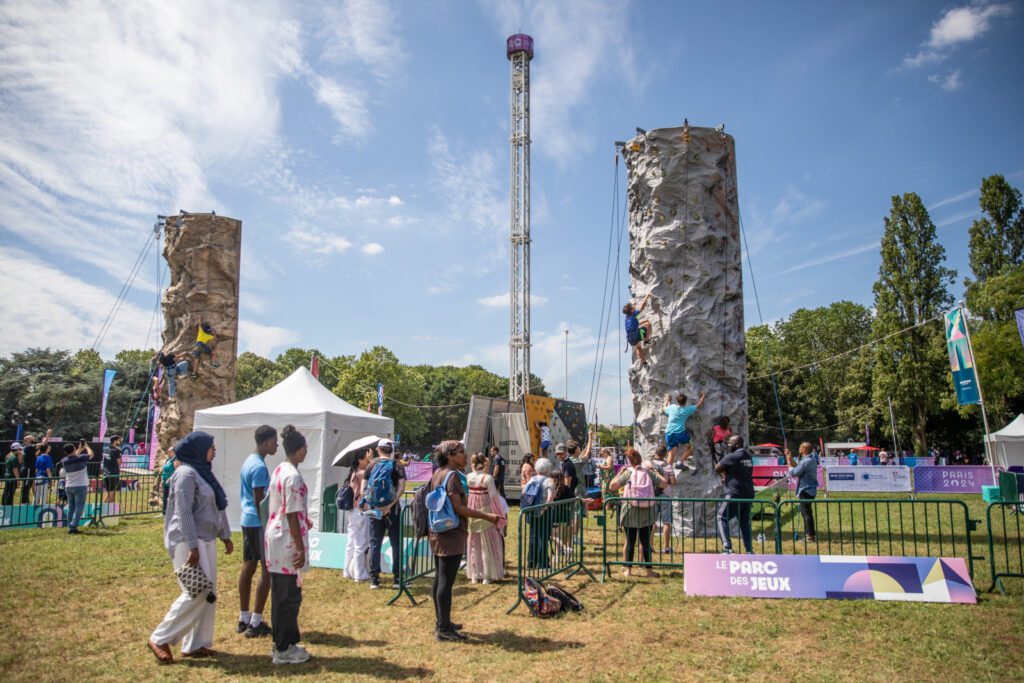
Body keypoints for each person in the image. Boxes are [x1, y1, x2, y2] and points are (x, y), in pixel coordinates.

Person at [148, 431, 233, 663]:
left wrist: (224, 535)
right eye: (210, 446)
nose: (214, 450)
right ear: (198, 449)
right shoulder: (185, 474)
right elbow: (182, 512)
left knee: (209, 594)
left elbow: (217, 506)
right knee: (197, 591)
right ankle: (160, 637)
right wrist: (192, 546)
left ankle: (197, 643)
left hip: (205, 539)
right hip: (187, 540)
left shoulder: (204, 473)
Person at [429, 441, 500, 642]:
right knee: (445, 581)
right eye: (461, 452)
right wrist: (488, 517)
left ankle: (442, 621)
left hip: (439, 531)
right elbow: (459, 508)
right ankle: (443, 628)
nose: (465, 455)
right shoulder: (451, 476)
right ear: (450, 455)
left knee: (439, 578)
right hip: (449, 532)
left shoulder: (439, 473)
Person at [264, 425, 312, 665]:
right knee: (287, 597)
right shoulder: (291, 475)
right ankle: (282, 648)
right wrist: (300, 547)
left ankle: (288, 641)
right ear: (300, 450)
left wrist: (305, 519)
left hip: (280, 536)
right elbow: (291, 513)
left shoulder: (281, 469)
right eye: (306, 449)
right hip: (286, 541)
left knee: (288, 593)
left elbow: (288, 507)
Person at [237, 425, 278, 639]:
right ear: (265, 443)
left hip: (247, 520)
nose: (277, 445)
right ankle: (256, 621)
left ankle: (243, 617)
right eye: (274, 441)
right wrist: (268, 525)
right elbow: (259, 500)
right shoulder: (260, 468)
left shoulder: (248, 461)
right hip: (258, 523)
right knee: (267, 570)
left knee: (248, 565)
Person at [609, 449, 665, 577]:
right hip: (646, 511)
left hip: (630, 510)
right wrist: (654, 471)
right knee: (645, 542)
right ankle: (649, 571)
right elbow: (664, 484)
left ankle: (628, 570)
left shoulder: (628, 473)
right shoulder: (648, 473)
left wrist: (619, 473)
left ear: (629, 461)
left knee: (630, 540)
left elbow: (612, 486)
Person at [365, 439, 405, 590]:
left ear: (378, 449)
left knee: (375, 542)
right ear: (392, 449)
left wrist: (375, 506)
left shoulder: (371, 465)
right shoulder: (397, 465)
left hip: (375, 509)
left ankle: (374, 579)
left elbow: (365, 489)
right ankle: (397, 578)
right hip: (393, 510)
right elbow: (401, 487)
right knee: (396, 544)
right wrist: (389, 505)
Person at [466, 452, 506, 584]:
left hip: (472, 511)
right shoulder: (487, 478)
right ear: (484, 464)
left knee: (474, 543)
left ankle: (475, 574)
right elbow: (494, 496)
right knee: (488, 543)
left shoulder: (469, 476)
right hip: (486, 511)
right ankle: (487, 575)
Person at [714, 435, 755, 554]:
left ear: (737, 444)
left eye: (730, 442)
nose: (728, 445)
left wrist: (725, 471)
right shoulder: (748, 456)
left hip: (733, 492)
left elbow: (717, 468)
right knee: (744, 522)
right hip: (748, 492)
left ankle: (727, 548)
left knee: (721, 517)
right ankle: (749, 550)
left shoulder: (732, 456)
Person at [344, 448, 373, 583]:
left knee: (351, 543)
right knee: (361, 544)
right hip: (361, 511)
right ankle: (359, 574)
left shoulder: (353, 473)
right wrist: (372, 460)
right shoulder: (362, 473)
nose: (368, 461)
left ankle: (346, 571)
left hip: (352, 512)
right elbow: (373, 472)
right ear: (360, 460)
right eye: (366, 458)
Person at [525, 458, 557, 569]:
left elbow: (525, 493)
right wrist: (543, 509)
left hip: (532, 511)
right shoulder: (549, 481)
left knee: (533, 537)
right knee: (543, 538)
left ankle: (531, 562)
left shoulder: (532, 479)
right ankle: (543, 563)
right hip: (545, 512)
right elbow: (550, 497)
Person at [785, 442, 818, 543]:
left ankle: (810, 536)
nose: (799, 449)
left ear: (804, 450)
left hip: (805, 490)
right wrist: (790, 458)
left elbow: (794, 472)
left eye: (800, 447)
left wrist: (788, 463)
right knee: (807, 512)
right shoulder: (811, 459)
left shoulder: (806, 461)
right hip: (810, 489)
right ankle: (810, 534)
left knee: (806, 513)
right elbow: (799, 466)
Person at [664, 392, 705, 463]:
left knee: (671, 453)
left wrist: (667, 400)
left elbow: (664, 408)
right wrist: (703, 396)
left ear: (677, 400)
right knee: (691, 446)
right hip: (679, 433)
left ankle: (667, 470)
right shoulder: (687, 410)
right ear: (685, 401)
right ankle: (680, 462)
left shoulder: (672, 407)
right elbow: (698, 405)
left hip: (668, 433)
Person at [61, 443, 92, 533]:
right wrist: (87, 447)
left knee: (71, 507)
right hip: (80, 486)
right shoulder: (81, 458)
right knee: (79, 507)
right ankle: (73, 526)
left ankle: (70, 525)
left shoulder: (64, 461)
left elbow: (73, 457)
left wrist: (78, 449)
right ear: (74, 449)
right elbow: (91, 454)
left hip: (69, 486)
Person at [651, 445, 676, 554]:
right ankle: (666, 547)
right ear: (665, 454)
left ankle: (650, 545)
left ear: (655, 453)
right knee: (666, 522)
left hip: (652, 495)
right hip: (665, 495)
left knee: (651, 522)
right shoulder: (668, 466)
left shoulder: (649, 465)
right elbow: (674, 482)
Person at [623, 293, 654, 366]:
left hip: (630, 338)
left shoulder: (627, 317)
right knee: (648, 324)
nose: (634, 306)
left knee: (638, 348)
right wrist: (647, 297)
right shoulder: (634, 313)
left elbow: (635, 324)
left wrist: (643, 321)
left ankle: (644, 363)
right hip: (635, 335)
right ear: (631, 310)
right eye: (632, 306)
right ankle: (647, 341)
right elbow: (642, 307)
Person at [102, 435, 122, 504]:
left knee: (108, 491)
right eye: (119, 440)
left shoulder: (105, 449)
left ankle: (104, 506)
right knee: (112, 493)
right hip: (113, 474)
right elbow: (119, 462)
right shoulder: (116, 451)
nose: (120, 442)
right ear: (115, 441)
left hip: (105, 474)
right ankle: (109, 511)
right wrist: (119, 451)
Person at [21, 435, 37, 503]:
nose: (33, 438)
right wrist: (48, 434)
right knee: (26, 486)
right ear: (27, 440)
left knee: (32, 484)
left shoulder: (28, 447)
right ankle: (24, 502)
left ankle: (35, 500)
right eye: (32, 437)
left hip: (31, 469)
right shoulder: (28, 447)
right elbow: (43, 444)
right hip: (28, 470)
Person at [161, 447, 177, 514]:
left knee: (170, 498)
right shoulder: (168, 459)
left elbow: (177, 471)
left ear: (173, 452)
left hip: (171, 482)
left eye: (169, 451)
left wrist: (171, 477)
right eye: (168, 451)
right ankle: (164, 512)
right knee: (165, 497)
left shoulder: (175, 460)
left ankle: (170, 512)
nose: (168, 452)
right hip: (165, 482)